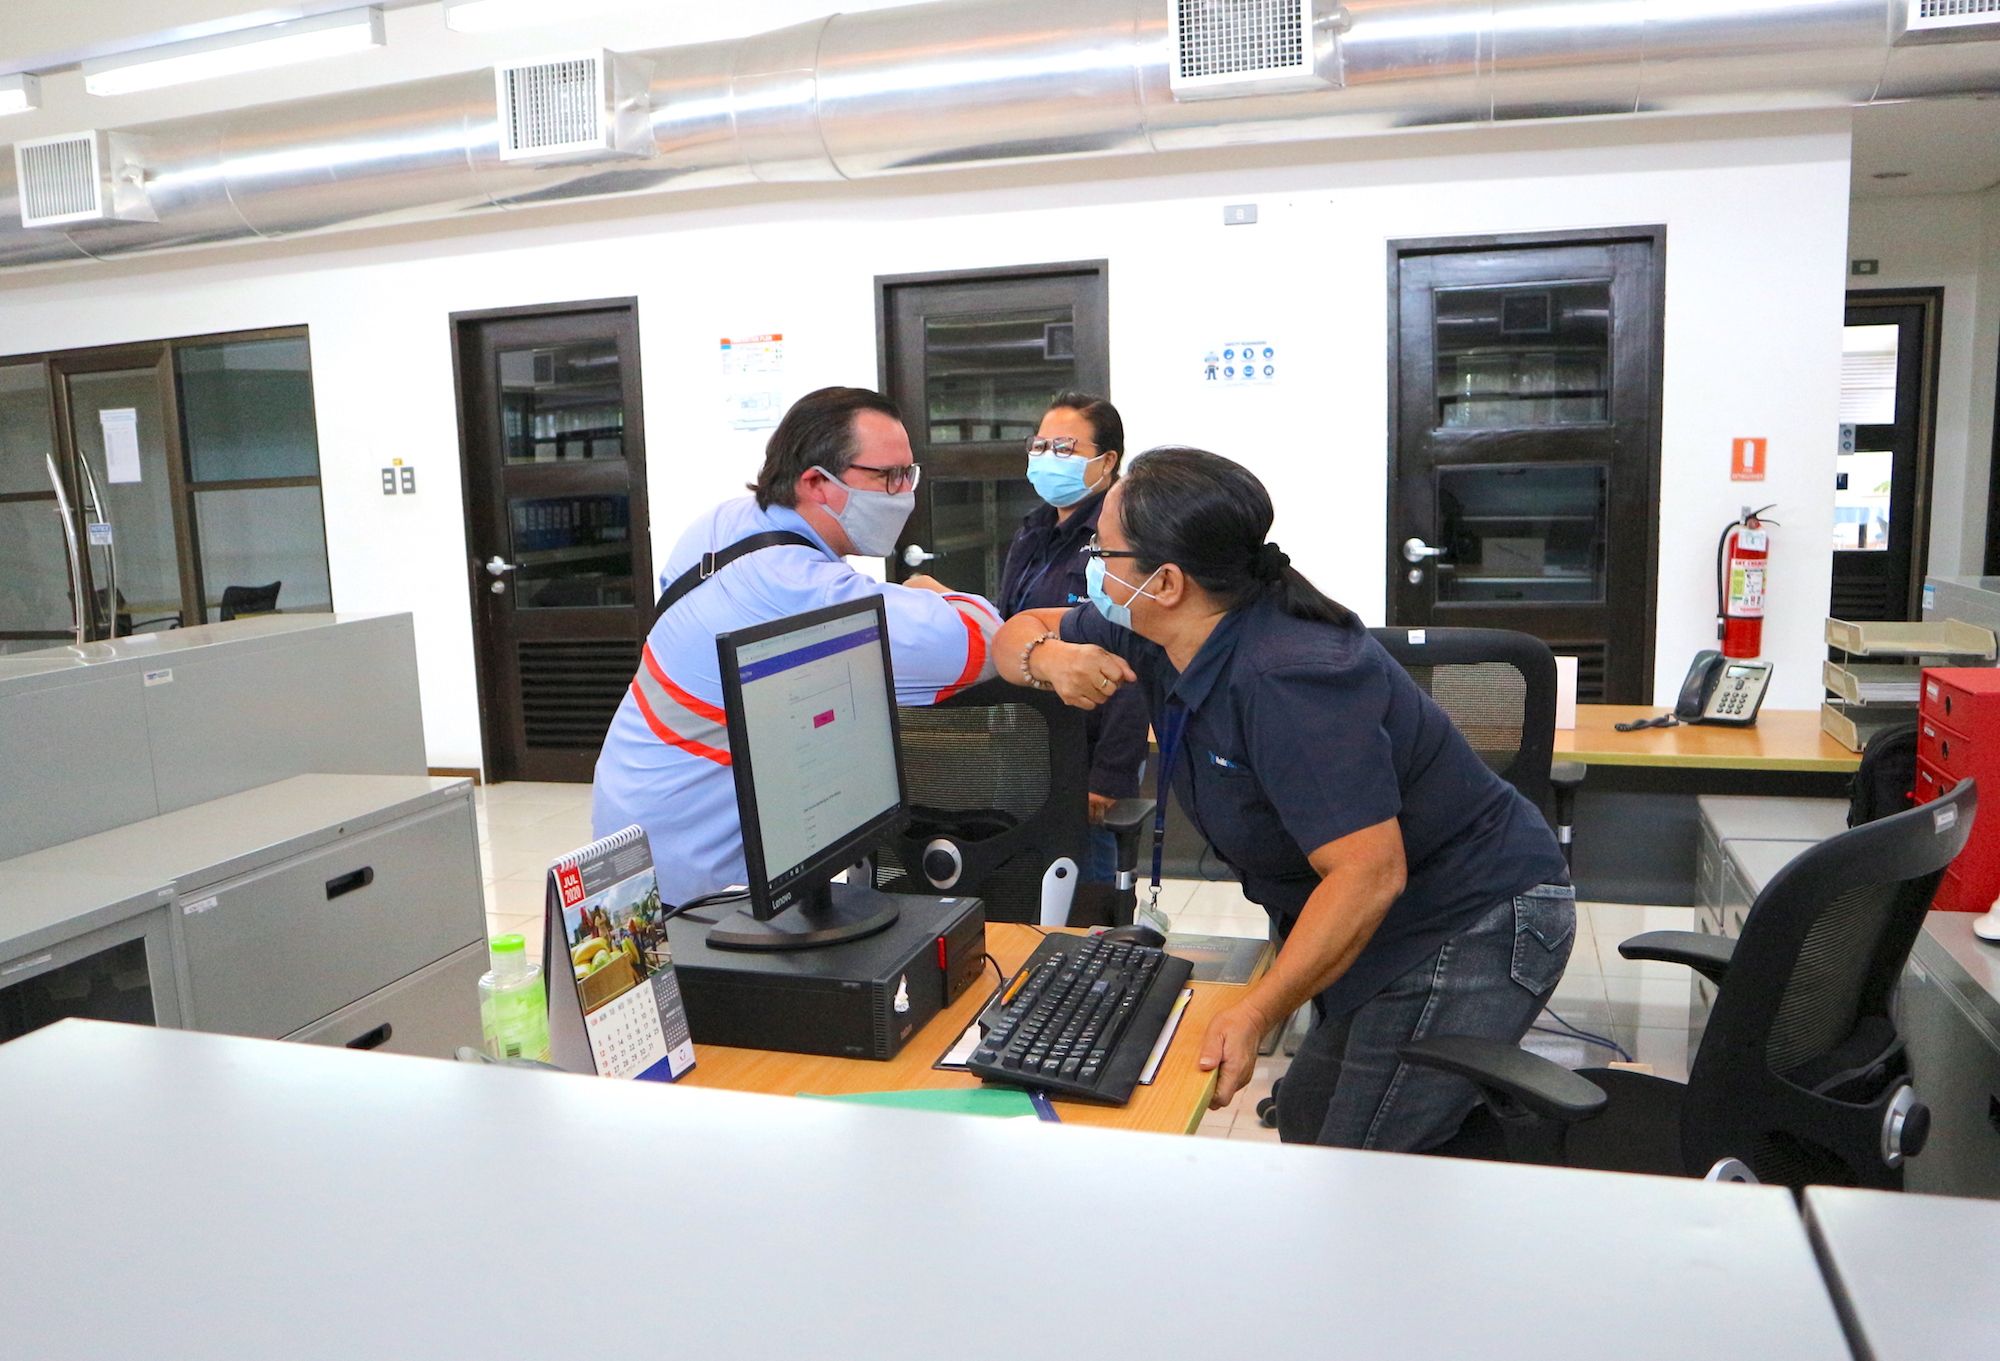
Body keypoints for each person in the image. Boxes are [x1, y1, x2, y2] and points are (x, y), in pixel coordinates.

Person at [993, 446, 1573, 1152]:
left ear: (1167, 581)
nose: (1091, 565)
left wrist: (1256, 1011)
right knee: (1307, 1113)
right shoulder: (1161, 627)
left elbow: (1368, 873)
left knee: (1355, 1158)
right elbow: (1014, 630)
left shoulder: (1288, 677)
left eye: (1101, 551)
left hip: (1470, 916)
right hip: (1385, 911)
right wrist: (1047, 657)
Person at [593, 386, 1000, 906]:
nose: (904, 493)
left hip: (632, 805)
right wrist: (934, 590)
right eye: (889, 477)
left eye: (908, 474)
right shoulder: (801, 589)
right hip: (691, 862)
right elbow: (980, 643)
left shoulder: (727, 521)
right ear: (816, 482)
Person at [996, 393, 1147, 885]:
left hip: (1089, 756)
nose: (1047, 458)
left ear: (1107, 461)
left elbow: (1134, 654)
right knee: (1034, 893)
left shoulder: (1121, 536)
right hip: (1028, 745)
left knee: (1087, 897)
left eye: (1063, 448)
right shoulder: (1034, 529)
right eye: (1039, 446)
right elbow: (1011, 620)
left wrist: (1109, 777)